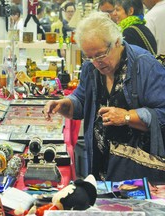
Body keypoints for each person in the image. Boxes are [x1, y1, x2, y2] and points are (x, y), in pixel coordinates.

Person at [43, 12, 165, 182]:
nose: (96, 62)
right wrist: (64, 105)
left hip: (137, 172)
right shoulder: (90, 68)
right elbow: (81, 100)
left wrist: (127, 116)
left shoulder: (144, 65)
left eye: (100, 55)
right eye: (89, 56)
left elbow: (162, 113)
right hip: (100, 165)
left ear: (117, 42)